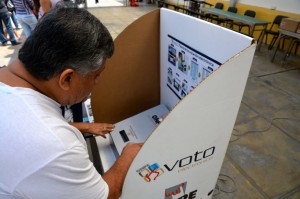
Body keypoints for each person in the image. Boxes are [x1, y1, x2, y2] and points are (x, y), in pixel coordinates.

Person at [0, 4, 142, 199]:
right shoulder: (56, 144)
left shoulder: (9, 80)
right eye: (96, 76)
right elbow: (105, 195)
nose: (97, 83)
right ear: (67, 78)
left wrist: (82, 127)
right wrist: (129, 157)